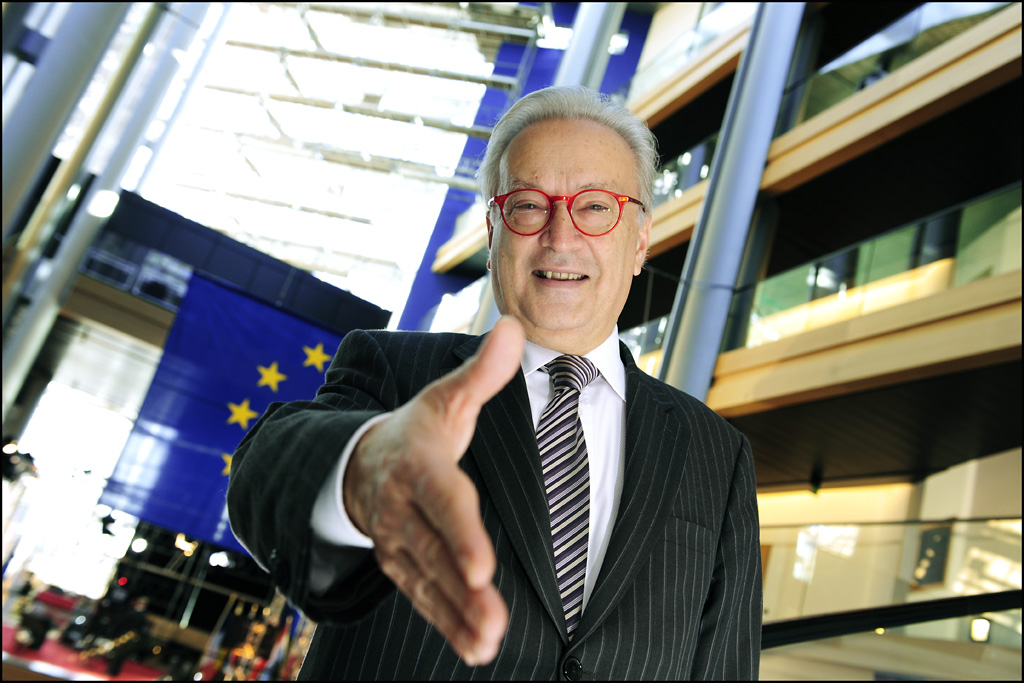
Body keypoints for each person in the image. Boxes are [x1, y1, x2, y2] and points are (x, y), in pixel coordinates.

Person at [227, 85, 762, 680]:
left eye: (595, 207)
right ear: (492, 233)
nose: (561, 237)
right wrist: (359, 474)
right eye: (529, 205)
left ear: (639, 241)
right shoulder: (396, 371)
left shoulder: (719, 455)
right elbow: (265, 472)